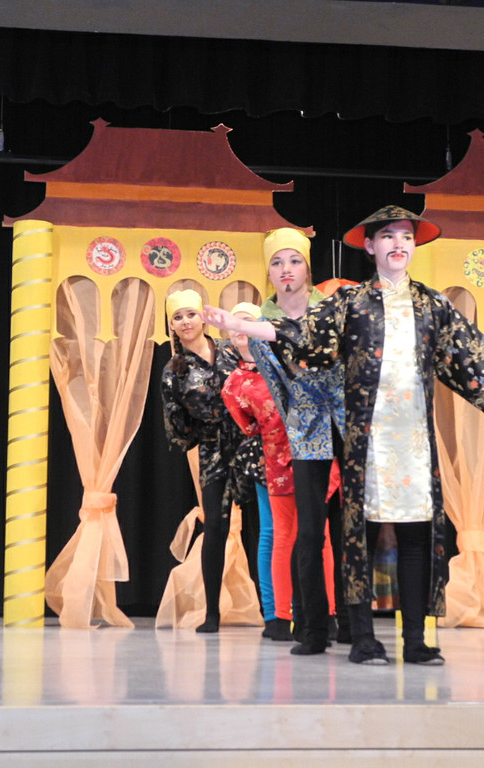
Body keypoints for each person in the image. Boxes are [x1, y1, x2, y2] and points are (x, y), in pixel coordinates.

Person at [203, 205, 484, 664]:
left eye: (406, 236)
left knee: (415, 537)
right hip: (364, 439)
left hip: (412, 441)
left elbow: (476, 354)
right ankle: (363, 639)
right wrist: (237, 325)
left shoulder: (432, 304)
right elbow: (301, 332)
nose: (398, 244)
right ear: (370, 246)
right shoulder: (350, 302)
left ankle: (415, 641)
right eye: (388, 236)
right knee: (360, 539)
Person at [248, 228, 347, 655]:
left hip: (348, 424)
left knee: (351, 530)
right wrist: (302, 422)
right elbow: (279, 388)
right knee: (307, 531)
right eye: (276, 262)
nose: (286, 269)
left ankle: (354, 624)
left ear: (307, 267)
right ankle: (310, 625)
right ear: (269, 272)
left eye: (294, 261)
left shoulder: (335, 310)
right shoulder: (259, 327)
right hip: (306, 430)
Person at [160, 288, 246, 634]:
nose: (185, 322)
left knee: (266, 527)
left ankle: (280, 614)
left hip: (252, 444)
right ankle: (212, 613)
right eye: (178, 317)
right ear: (171, 325)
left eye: (191, 314)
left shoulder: (231, 350)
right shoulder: (174, 370)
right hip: (213, 451)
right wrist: (202, 431)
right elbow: (176, 426)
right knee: (216, 527)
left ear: (203, 318)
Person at [222, 302, 299, 642]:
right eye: (234, 323)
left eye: (248, 321)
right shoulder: (234, 382)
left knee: (310, 533)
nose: (240, 328)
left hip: (305, 454)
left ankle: (311, 610)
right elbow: (248, 426)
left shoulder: (285, 365)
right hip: (266, 458)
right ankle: (274, 613)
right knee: (272, 533)